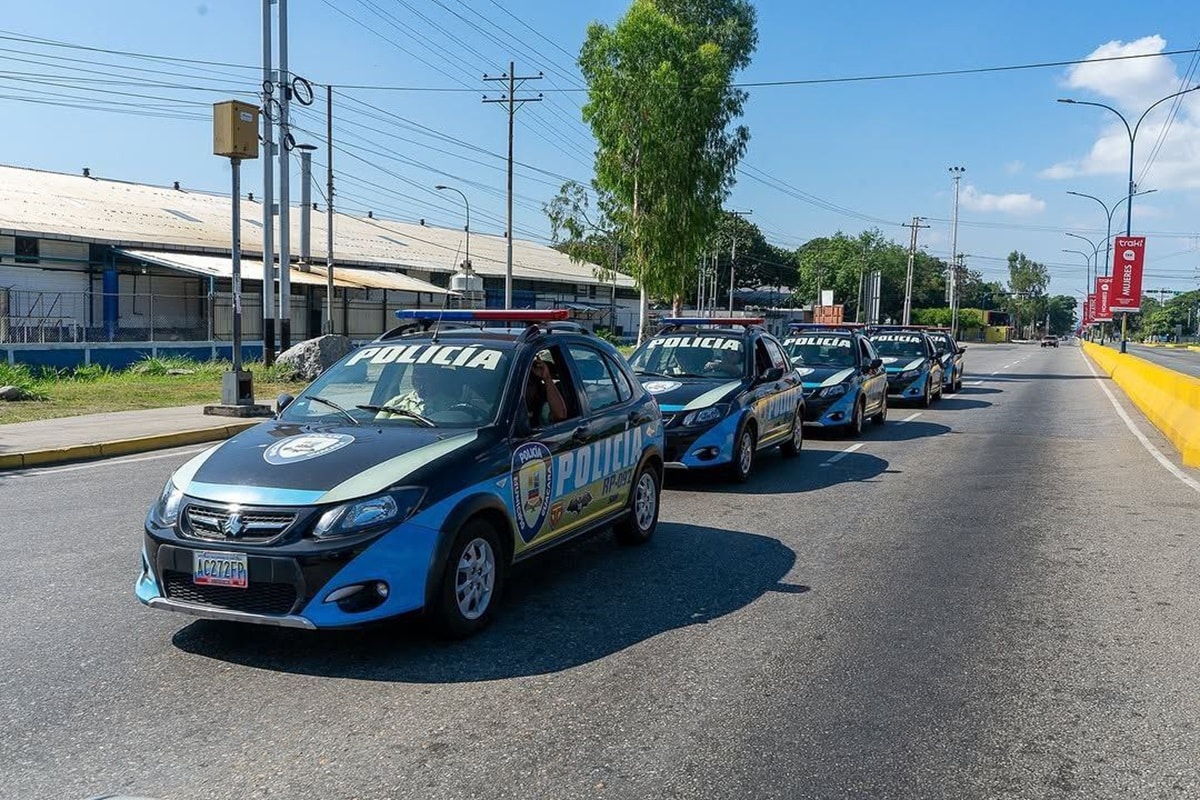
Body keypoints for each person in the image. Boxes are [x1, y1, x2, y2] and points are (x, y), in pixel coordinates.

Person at [526, 356, 568, 428]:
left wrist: (547, 378)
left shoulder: (543, 405)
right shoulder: (505, 401)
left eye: (529, 385)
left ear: (537, 386)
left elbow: (560, 416)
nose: (525, 390)